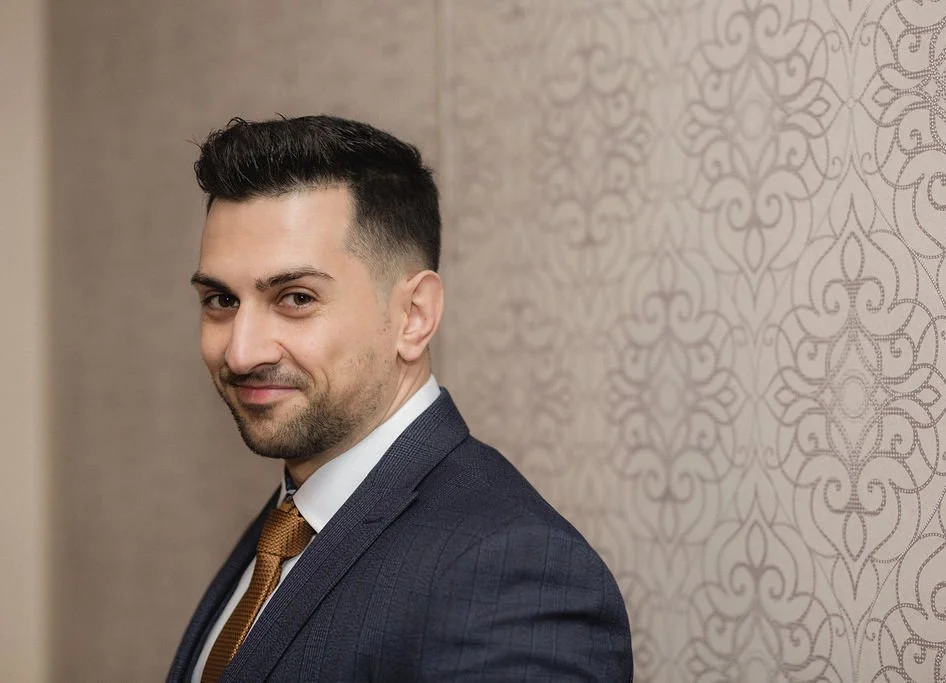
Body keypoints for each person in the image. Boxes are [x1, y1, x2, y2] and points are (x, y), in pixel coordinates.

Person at [167, 115, 633, 682]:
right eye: (220, 299)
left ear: (413, 316)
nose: (240, 353)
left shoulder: (513, 573)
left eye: (295, 297)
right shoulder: (290, 520)